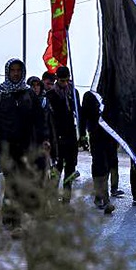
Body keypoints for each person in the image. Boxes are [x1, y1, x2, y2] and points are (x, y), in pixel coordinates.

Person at [0, 58, 50, 236]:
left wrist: (44, 139)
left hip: (27, 147)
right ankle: (12, 221)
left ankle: (15, 218)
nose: (15, 73)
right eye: (12, 70)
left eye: (18, 70)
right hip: (6, 149)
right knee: (13, 182)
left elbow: (39, 119)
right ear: (7, 72)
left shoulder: (29, 94)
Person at [79, 90, 116, 215]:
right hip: (96, 136)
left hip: (110, 137)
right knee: (100, 165)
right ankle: (104, 199)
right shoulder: (90, 95)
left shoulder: (112, 93)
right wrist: (82, 135)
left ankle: (101, 196)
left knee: (108, 166)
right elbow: (83, 116)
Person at [47, 66, 81, 203]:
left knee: (71, 169)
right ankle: (53, 198)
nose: (65, 83)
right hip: (56, 138)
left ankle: (66, 199)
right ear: (57, 80)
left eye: (67, 80)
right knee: (57, 169)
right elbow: (48, 120)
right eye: (62, 81)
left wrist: (82, 134)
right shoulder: (50, 95)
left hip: (71, 136)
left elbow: (80, 114)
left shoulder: (73, 93)